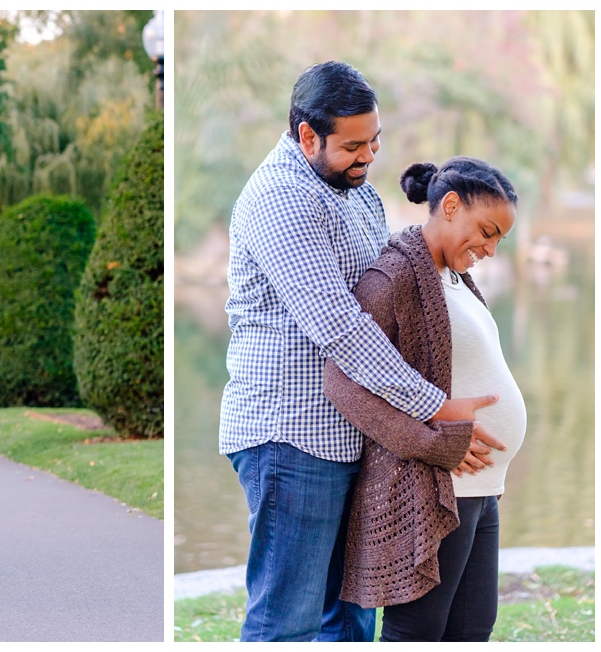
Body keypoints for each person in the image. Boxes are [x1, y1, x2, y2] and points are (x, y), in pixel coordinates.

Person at [219, 62, 498, 641]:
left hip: (354, 436)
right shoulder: (280, 197)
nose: (368, 156)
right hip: (291, 435)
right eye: (352, 146)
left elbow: (392, 293)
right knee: (287, 622)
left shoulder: (356, 192)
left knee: (348, 621)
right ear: (306, 136)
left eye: (374, 141)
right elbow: (340, 325)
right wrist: (431, 404)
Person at [325, 158, 520, 641]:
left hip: (480, 489)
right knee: (417, 634)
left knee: (473, 629)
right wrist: (433, 444)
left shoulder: (455, 277)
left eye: (499, 240)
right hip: (435, 485)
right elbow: (342, 383)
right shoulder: (394, 277)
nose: (491, 249)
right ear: (450, 206)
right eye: (487, 231)